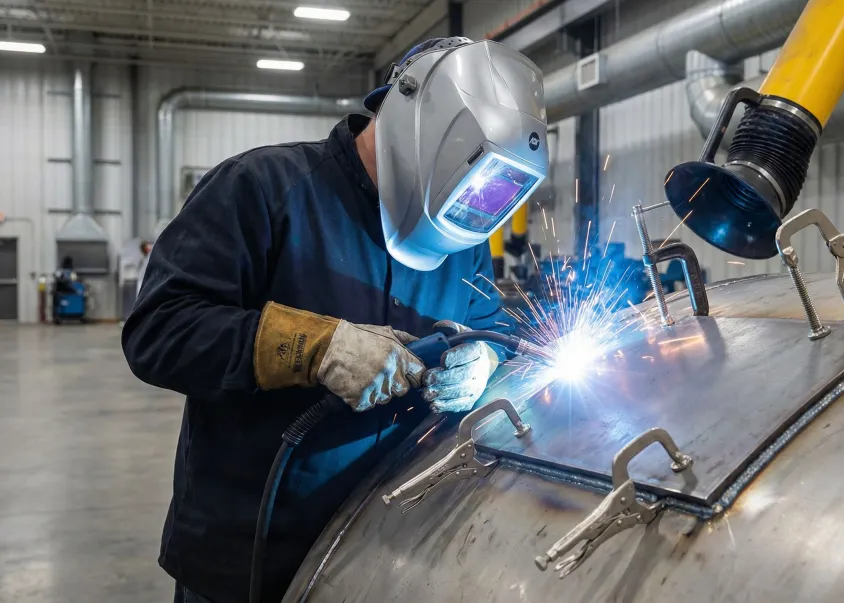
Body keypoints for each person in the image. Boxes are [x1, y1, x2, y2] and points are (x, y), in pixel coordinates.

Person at [122, 37, 548, 603]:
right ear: (418, 129)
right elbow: (159, 330)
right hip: (254, 553)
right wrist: (314, 347)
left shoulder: (461, 238)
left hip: (391, 551)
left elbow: (494, 325)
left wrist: (488, 357)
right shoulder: (262, 189)